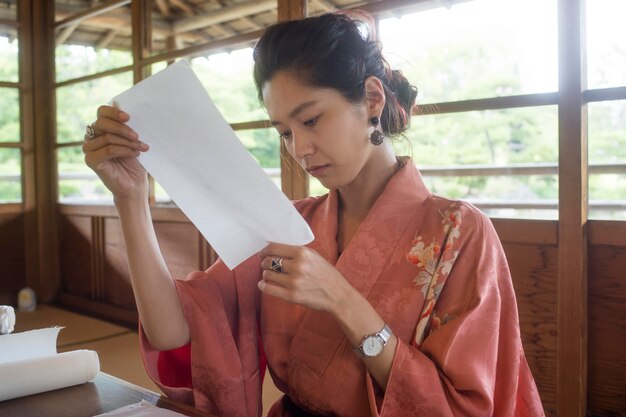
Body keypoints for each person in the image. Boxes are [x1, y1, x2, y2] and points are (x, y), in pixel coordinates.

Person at [83, 11, 545, 417]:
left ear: (372, 100)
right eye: (284, 131)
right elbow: (172, 331)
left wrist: (342, 299)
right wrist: (130, 197)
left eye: (310, 120)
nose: (299, 150)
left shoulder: (459, 233)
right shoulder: (286, 225)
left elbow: (466, 406)